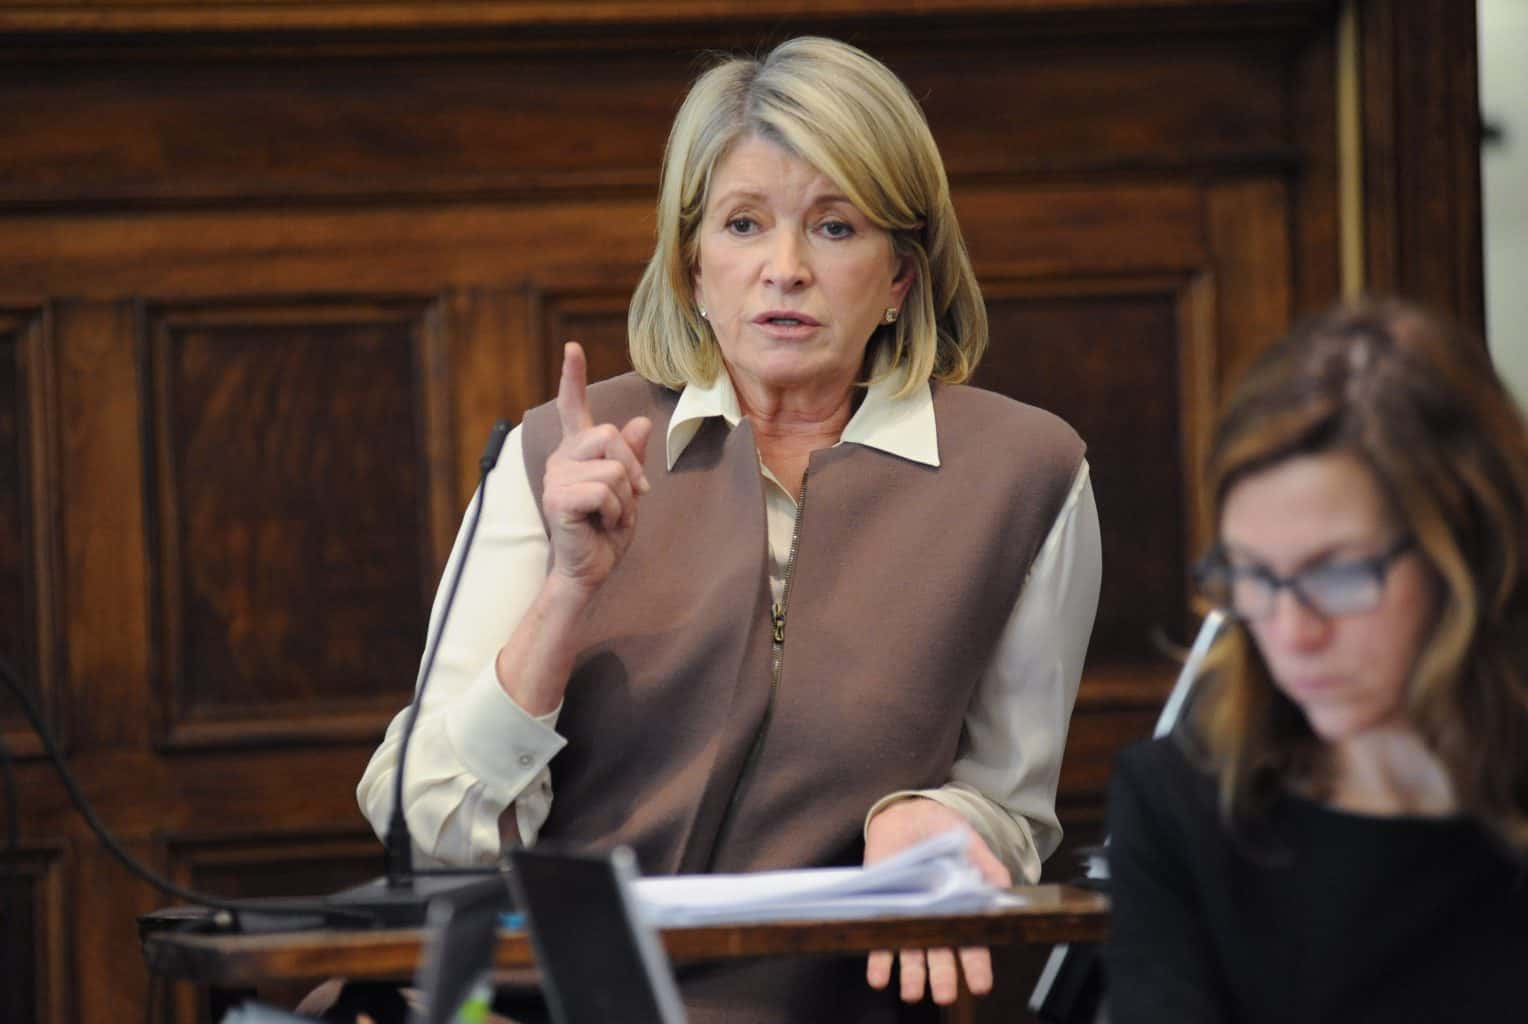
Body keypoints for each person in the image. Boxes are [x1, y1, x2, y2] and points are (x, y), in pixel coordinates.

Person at [359, 36, 1101, 1021]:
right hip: (533, 1002)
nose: (784, 270)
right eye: (744, 224)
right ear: (693, 268)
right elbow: (428, 826)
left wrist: (942, 815)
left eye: (835, 228)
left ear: (901, 276)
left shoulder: (1026, 475)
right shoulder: (556, 454)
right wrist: (570, 588)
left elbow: (1013, 803)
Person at [1105, 298, 1528, 1023]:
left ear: (1468, 554)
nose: (1293, 632)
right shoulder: (1179, 805)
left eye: (1336, 574)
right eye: (1253, 576)